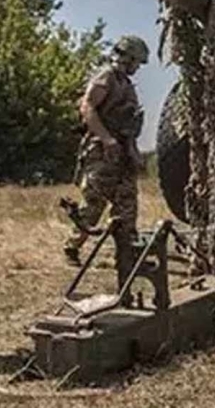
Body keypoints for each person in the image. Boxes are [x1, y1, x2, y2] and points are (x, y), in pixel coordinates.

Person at [63, 35, 149, 295]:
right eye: (136, 62)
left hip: (122, 153)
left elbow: (130, 126)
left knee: (127, 206)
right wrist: (107, 140)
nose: (138, 67)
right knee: (94, 205)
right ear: (128, 57)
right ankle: (72, 245)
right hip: (101, 153)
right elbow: (87, 107)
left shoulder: (127, 86)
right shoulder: (106, 77)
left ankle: (125, 255)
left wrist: (133, 152)